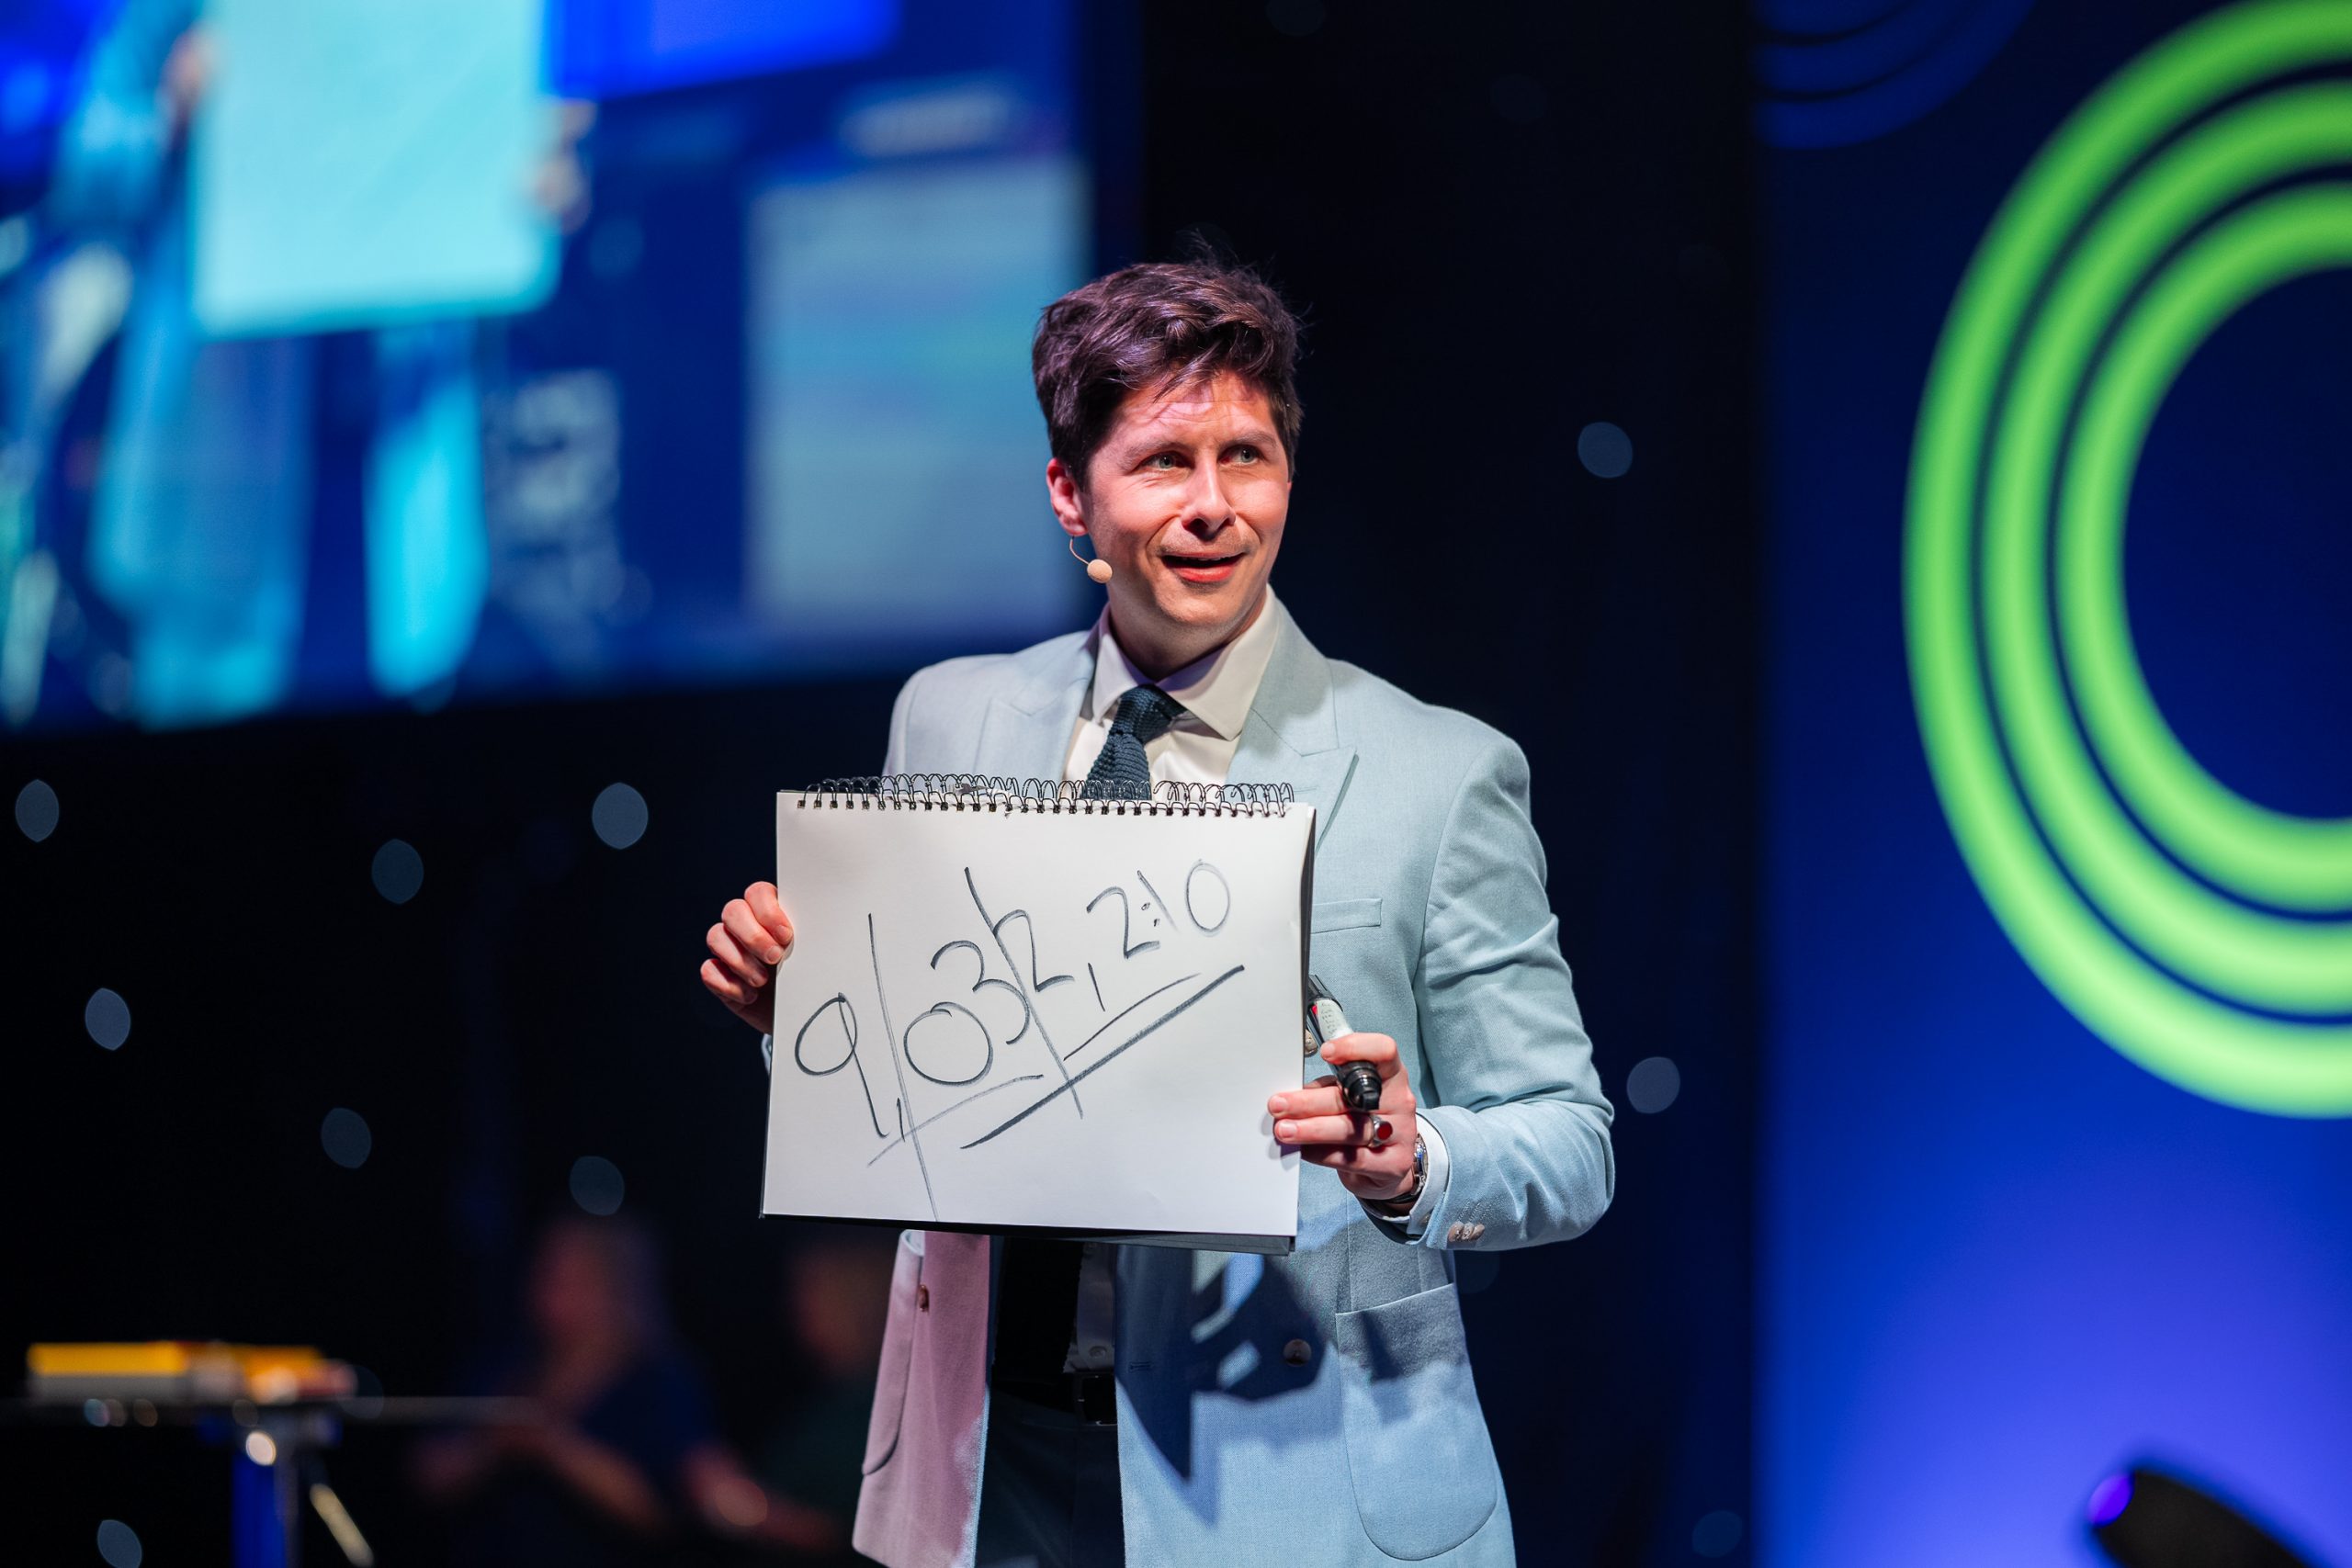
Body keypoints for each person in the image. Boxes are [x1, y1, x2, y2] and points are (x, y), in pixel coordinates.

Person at [699, 258, 1615, 1568]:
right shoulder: (951, 716)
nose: (1212, 506)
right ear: (1072, 494)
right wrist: (807, 1016)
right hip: (987, 1454)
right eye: (1163, 460)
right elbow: (927, 1083)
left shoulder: (1435, 769)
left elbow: (1572, 1138)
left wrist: (1414, 1161)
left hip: (1294, 1466)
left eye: (1247, 455)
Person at [414, 1214, 836, 1566]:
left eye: (571, 1279)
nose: (549, 1292)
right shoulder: (509, 1364)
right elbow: (428, 1476)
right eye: (544, 1272)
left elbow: (673, 1506)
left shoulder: (659, 1379)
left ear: (618, 1286)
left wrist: (553, 1446)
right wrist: (494, 1447)